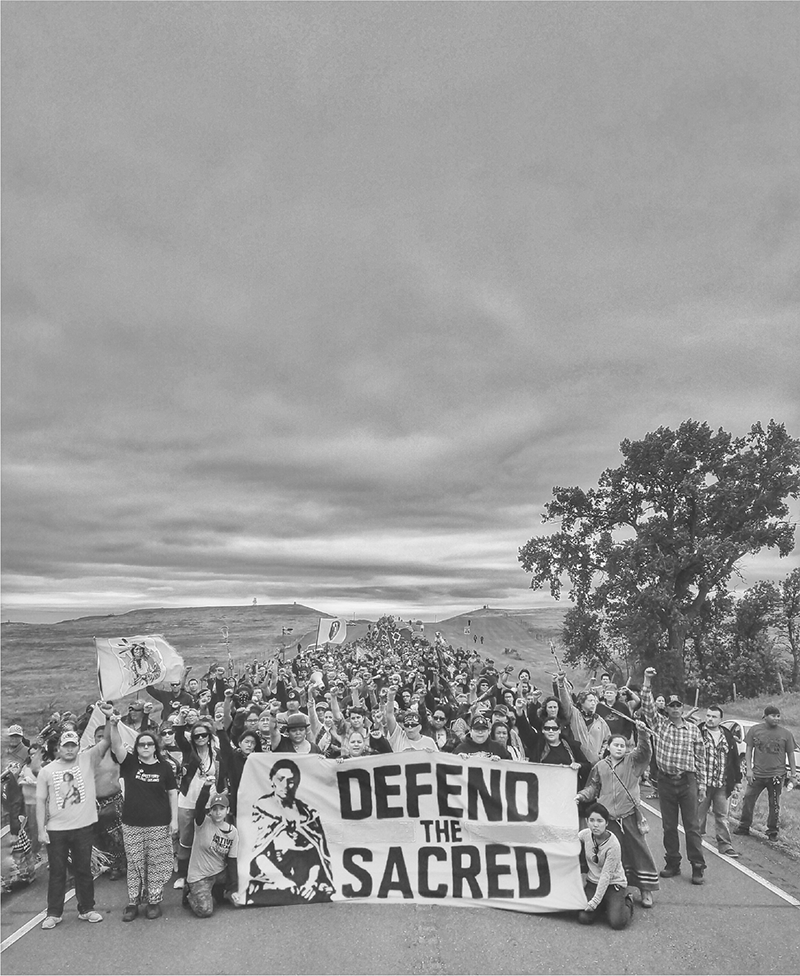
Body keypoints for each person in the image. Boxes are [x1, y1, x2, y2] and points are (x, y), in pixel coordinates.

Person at [36, 714, 114, 930]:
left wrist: (108, 717)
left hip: (83, 827)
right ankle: (54, 913)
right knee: (58, 872)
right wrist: (41, 830)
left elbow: (106, 741)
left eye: (73, 746)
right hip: (57, 830)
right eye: (66, 746)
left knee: (83, 870)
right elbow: (40, 802)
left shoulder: (87, 759)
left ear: (78, 746)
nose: (70, 749)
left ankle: (87, 908)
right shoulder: (47, 771)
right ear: (58, 748)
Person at [576, 727, 659, 907]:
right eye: (616, 745)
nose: (620, 748)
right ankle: (610, 887)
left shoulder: (633, 762)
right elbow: (593, 787)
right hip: (608, 819)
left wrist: (643, 734)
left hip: (629, 815)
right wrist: (581, 795)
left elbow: (645, 752)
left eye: (623, 745)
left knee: (639, 850)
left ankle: (646, 889)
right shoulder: (600, 766)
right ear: (608, 746)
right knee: (608, 854)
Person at [641, 668, 707, 885]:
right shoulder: (659, 725)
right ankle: (672, 863)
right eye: (671, 706)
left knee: (692, 826)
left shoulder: (693, 730)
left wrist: (702, 784)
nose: (675, 709)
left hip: (687, 781)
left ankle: (697, 866)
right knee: (669, 826)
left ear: (683, 708)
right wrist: (647, 680)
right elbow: (647, 706)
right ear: (667, 708)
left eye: (679, 706)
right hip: (666, 781)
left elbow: (700, 758)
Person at [109, 717, 178, 921]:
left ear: (155, 747)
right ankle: (133, 903)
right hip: (132, 823)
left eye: (149, 744)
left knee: (155, 863)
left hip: (158, 823)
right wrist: (113, 725)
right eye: (141, 744)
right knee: (135, 863)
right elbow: (116, 745)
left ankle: (153, 901)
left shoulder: (164, 767)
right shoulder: (129, 763)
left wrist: (174, 820)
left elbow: (173, 793)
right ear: (137, 748)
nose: (145, 747)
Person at [246, 759, 335, 905]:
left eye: (291, 781)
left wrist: (311, 882)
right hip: (273, 874)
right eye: (281, 779)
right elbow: (256, 852)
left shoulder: (307, 812)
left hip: (306, 876)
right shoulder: (261, 808)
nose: (286, 785)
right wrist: (281, 880)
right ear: (271, 780)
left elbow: (317, 853)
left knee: (323, 894)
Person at [735, 705, 798, 843]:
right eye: (773, 716)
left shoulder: (786, 734)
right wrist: (749, 770)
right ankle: (744, 826)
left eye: (778, 716)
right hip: (757, 774)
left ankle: (772, 831)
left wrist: (793, 774)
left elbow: (791, 754)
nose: (777, 719)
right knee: (748, 799)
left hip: (776, 775)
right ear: (765, 716)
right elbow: (749, 750)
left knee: (774, 803)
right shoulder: (755, 730)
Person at [184, 783, 240, 917]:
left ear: (228, 810)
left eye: (222, 808)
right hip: (200, 876)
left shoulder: (233, 832)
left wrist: (234, 889)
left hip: (219, 873)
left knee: (237, 900)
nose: (218, 812)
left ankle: (218, 891)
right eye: (215, 809)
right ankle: (188, 893)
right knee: (205, 910)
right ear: (210, 811)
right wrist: (206, 788)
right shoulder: (202, 822)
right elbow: (199, 807)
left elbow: (232, 861)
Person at [577, 802, 634, 930]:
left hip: (613, 884)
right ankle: (604, 905)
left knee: (617, 922)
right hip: (593, 882)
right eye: (591, 820)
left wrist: (595, 902)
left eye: (599, 821)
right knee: (584, 918)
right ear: (586, 821)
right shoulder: (585, 834)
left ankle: (628, 901)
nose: (595, 825)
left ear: (606, 823)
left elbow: (606, 875)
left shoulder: (613, 845)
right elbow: (570, 840)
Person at [697, 706, 741, 856]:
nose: (710, 719)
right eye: (708, 715)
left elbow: (734, 759)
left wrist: (737, 781)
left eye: (714, 717)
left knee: (722, 815)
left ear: (720, 719)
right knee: (698, 814)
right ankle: (696, 841)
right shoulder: (698, 732)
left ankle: (725, 844)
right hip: (702, 783)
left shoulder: (727, 735)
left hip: (722, 783)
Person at [91, 724, 126, 880]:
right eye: (97, 736)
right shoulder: (88, 756)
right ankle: (107, 864)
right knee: (100, 836)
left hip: (113, 800)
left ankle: (119, 865)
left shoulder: (114, 754)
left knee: (116, 837)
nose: (100, 739)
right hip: (94, 802)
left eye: (102, 736)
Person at [555, 673, 611, 764]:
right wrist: (561, 685)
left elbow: (607, 740)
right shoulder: (574, 715)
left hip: (595, 764)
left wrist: (600, 756)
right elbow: (565, 704)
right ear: (582, 702)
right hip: (575, 763)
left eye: (595, 701)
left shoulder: (600, 721)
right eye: (590, 701)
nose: (593, 703)